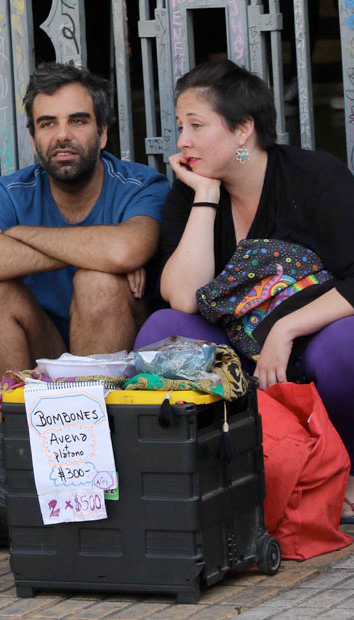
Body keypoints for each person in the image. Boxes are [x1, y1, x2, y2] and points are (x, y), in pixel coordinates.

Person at [134, 59, 354, 523]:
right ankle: (221, 479)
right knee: (163, 332)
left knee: (341, 349)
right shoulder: (191, 191)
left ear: (243, 130)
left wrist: (287, 328)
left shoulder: (315, 178)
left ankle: (346, 472)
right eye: (179, 127)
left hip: (314, 337)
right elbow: (182, 298)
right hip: (238, 345)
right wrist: (206, 196)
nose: (182, 142)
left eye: (196, 125)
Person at [0, 62, 169, 429]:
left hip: (127, 369)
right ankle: (16, 452)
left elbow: (124, 251)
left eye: (78, 121)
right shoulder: (13, 190)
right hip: (43, 348)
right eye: (48, 123)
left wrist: (17, 234)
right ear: (33, 137)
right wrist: (92, 248)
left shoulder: (142, 185)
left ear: (102, 134)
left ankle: (93, 453)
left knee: (100, 282)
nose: (62, 135)